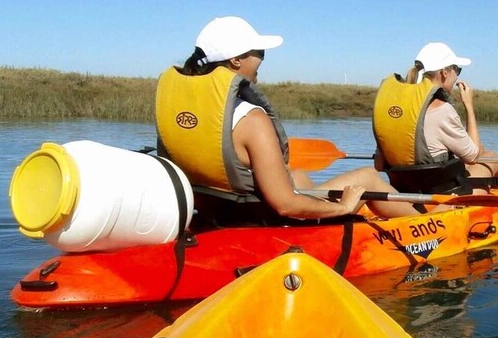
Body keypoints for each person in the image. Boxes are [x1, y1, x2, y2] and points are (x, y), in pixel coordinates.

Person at [156, 16, 417, 220]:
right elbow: (284, 204)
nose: (262, 59)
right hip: (265, 220)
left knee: (299, 177)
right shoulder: (252, 119)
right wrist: (345, 208)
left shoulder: (181, 114)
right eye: (259, 52)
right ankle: (429, 227)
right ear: (236, 60)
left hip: (220, 214)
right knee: (368, 176)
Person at [372, 42, 498, 196]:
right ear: (444, 72)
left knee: (474, 155)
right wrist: (469, 106)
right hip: (445, 195)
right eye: (456, 70)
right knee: (492, 157)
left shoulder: (395, 112)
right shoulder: (443, 109)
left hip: (404, 192)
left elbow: (379, 165)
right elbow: (473, 157)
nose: (456, 76)